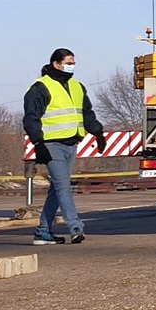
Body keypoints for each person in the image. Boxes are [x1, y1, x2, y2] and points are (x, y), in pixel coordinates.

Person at [23, 48, 105, 245]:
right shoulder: (40, 88)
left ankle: (43, 231)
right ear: (56, 64)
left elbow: (87, 113)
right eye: (69, 62)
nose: (72, 66)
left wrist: (98, 132)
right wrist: (38, 143)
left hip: (71, 144)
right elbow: (31, 118)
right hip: (51, 145)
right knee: (63, 187)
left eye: (73, 63)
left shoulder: (77, 87)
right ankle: (76, 227)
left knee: (57, 189)